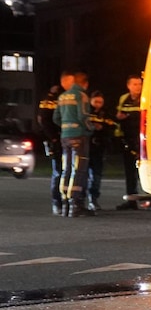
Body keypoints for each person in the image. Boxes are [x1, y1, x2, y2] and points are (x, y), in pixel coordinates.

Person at [52, 70, 94, 217]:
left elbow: (56, 118)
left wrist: (65, 126)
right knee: (79, 170)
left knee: (66, 169)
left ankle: (65, 204)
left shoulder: (62, 96)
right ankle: (75, 205)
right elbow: (83, 116)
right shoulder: (81, 95)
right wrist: (91, 129)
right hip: (79, 136)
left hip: (65, 137)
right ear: (85, 83)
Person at [35, 82, 65, 215]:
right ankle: (57, 203)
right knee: (58, 171)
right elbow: (44, 121)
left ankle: (63, 202)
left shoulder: (62, 98)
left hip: (63, 138)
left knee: (64, 171)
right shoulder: (50, 100)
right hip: (56, 140)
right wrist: (53, 138)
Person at [85, 90, 118, 211]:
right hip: (87, 147)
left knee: (97, 175)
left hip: (100, 148)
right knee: (83, 175)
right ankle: (82, 199)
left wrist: (102, 128)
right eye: (96, 101)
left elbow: (112, 126)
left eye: (100, 102)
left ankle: (93, 199)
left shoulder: (106, 113)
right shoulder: (86, 112)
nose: (98, 104)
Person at [114, 75, 142, 210]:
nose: (138, 87)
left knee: (145, 170)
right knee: (129, 171)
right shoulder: (124, 99)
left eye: (139, 84)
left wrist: (129, 117)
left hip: (142, 140)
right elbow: (119, 117)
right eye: (135, 84)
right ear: (129, 86)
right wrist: (119, 136)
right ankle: (131, 199)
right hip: (128, 139)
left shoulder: (145, 98)